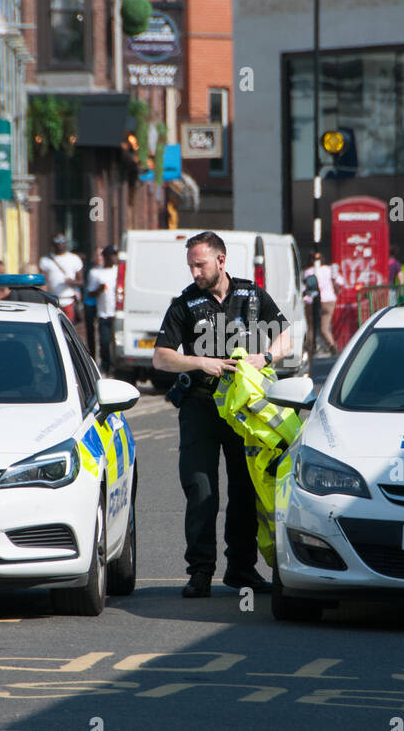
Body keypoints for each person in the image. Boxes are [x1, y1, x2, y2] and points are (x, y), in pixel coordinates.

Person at [152, 231, 291, 598]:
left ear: (221, 260)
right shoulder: (185, 303)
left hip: (243, 412)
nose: (195, 272)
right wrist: (202, 362)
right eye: (191, 265)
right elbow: (161, 356)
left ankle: (241, 570)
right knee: (201, 491)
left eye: (200, 264)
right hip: (200, 405)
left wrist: (267, 358)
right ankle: (200, 572)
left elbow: (286, 337)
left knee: (245, 490)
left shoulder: (251, 295)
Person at [301, 252, 345, 355]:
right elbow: (341, 281)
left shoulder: (307, 272)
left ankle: (311, 348)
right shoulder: (328, 269)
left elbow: (304, 288)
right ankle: (332, 346)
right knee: (324, 328)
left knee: (311, 326)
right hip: (329, 300)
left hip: (313, 301)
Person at [87, 246, 119, 376]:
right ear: (105, 257)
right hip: (104, 313)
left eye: (115, 255)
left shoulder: (119, 271)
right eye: (111, 255)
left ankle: (116, 366)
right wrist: (99, 290)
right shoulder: (96, 273)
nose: (113, 258)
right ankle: (106, 365)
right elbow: (90, 292)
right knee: (104, 342)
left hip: (118, 313)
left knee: (117, 342)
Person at [39, 234, 83, 322]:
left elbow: (81, 282)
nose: (60, 245)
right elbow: (43, 281)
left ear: (66, 243)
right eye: (57, 242)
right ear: (53, 244)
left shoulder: (74, 259)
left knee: (68, 329)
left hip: (68, 301)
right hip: (52, 302)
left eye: (62, 242)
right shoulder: (45, 261)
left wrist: (72, 282)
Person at [82, 248, 103, 359]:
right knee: (90, 330)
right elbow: (84, 284)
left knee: (102, 330)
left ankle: (103, 355)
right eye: (97, 255)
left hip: (103, 304)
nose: (99, 257)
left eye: (101, 255)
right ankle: (92, 356)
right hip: (90, 302)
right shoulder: (89, 268)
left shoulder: (108, 269)